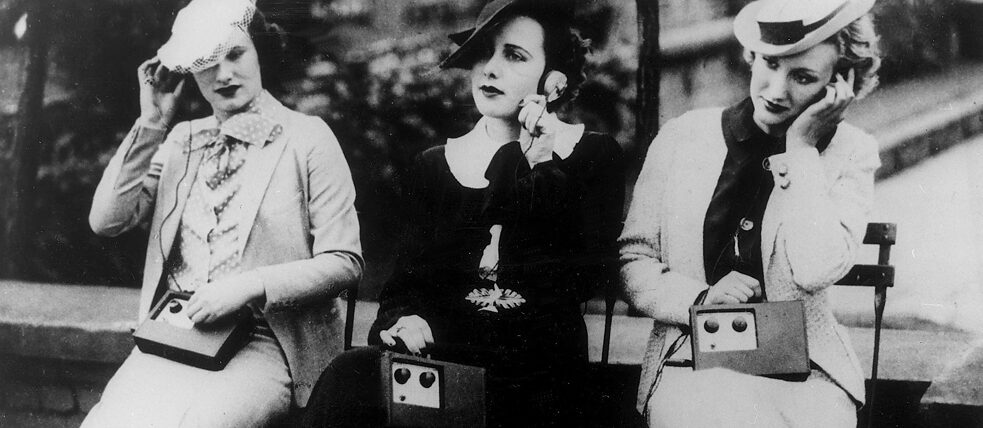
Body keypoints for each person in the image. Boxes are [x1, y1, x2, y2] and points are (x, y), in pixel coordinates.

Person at [300, 1, 624, 427]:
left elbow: (583, 277)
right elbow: (406, 285)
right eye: (483, 52)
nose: (489, 69)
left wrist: (541, 162)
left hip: (539, 372)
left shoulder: (592, 155)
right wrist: (404, 319)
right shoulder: (435, 164)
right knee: (349, 376)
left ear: (554, 81)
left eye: (513, 55)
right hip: (441, 366)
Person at [83, 0, 363, 426]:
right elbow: (108, 220)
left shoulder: (308, 139)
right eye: (207, 63)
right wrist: (151, 122)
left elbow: (344, 263)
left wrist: (250, 285)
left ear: (259, 52)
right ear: (190, 72)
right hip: (175, 333)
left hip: (267, 342)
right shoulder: (182, 140)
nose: (224, 74)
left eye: (236, 54)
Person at [619, 0, 882, 426]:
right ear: (753, 55)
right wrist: (700, 299)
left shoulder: (852, 152)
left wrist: (801, 150)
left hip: (806, 377)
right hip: (691, 361)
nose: (777, 90)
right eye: (772, 63)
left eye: (803, 77)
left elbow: (814, 269)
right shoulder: (682, 137)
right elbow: (634, 261)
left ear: (838, 87)